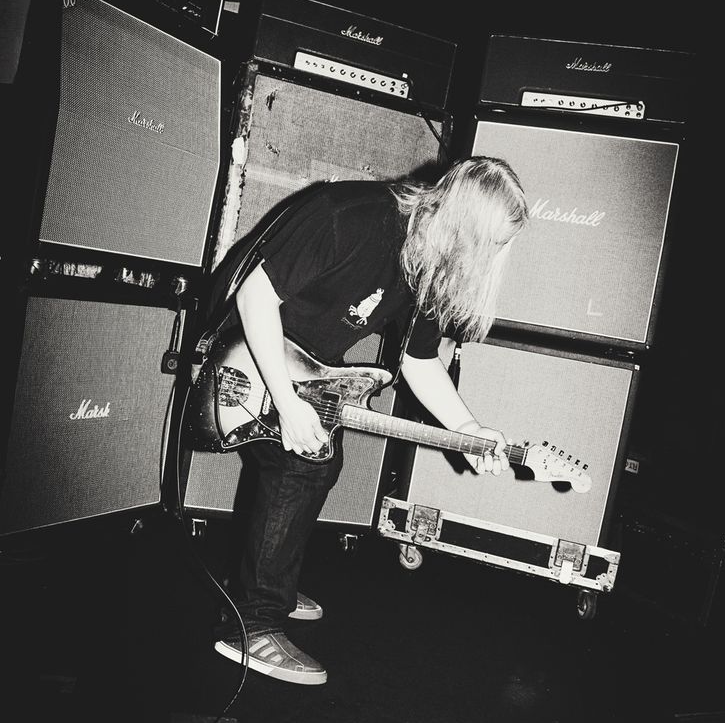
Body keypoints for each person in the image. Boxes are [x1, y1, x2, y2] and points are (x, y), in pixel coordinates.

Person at [209, 156, 529, 685]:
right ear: (459, 222)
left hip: (302, 368)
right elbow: (254, 295)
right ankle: (252, 623)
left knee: (319, 462)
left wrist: (468, 431)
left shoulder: (427, 263)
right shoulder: (351, 216)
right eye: (488, 242)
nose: (490, 257)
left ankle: (269, 586)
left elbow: (419, 361)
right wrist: (287, 402)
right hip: (236, 352)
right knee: (302, 465)